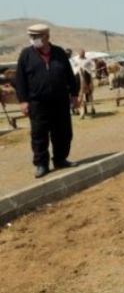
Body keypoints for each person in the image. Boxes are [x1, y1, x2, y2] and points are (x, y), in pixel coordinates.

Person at [15, 24, 80, 178]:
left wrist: (75, 94)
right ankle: (41, 164)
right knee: (39, 134)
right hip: (37, 102)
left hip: (60, 100)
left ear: (46, 37)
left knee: (63, 132)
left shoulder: (59, 53)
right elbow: (20, 80)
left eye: (36, 37)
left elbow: (69, 75)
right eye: (31, 37)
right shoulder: (26, 55)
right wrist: (23, 101)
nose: (33, 40)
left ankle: (60, 159)